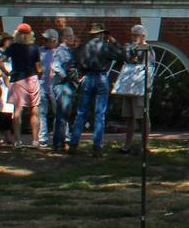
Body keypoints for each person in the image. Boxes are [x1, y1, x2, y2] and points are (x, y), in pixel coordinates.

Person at [70, 23, 122, 156]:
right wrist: (114, 41)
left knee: (81, 113)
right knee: (100, 114)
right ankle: (97, 147)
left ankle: (74, 144)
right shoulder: (106, 46)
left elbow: (75, 62)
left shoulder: (83, 47)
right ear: (101, 33)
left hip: (87, 77)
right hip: (101, 77)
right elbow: (122, 55)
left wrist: (79, 75)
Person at [115, 24, 154, 155]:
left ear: (143, 36)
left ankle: (144, 146)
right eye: (132, 35)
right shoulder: (130, 48)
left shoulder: (148, 49)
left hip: (141, 89)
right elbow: (124, 60)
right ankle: (127, 145)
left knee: (143, 117)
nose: (133, 37)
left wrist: (148, 87)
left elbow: (150, 69)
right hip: (129, 88)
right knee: (129, 117)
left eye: (136, 35)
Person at [5, 23, 42, 150]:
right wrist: (40, 74)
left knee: (17, 111)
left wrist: (7, 72)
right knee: (34, 109)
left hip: (17, 79)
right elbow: (38, 68)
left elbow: (0, 61)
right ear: (30, 34)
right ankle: (35, 140)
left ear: (17, 34)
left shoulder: (13, 47)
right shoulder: (34, 48)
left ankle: (18, 141)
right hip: (32, 79)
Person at [38, 27, 70, 150]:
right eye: (44, 39)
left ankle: (65, 137)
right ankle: (43, 139)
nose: (44, 41)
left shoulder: (62, 51)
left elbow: (67, 68)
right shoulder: (40, 51)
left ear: (54, 40)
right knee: (42, 113)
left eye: (47, 39)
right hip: (42, 85)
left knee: (60, 113)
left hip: (57, 86)